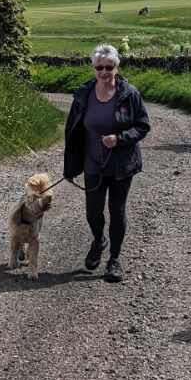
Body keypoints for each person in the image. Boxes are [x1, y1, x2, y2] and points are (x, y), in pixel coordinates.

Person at [63, 44, 150, 282]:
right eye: (99, 67)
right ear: (93, 68)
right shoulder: (83, 95)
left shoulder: (129, 94)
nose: (104, 72)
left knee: (117, 210)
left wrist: (119, 139)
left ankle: (114, 259)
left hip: (122, 165)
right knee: (93, 212)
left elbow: (143, 126)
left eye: (108, 67)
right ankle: (99, 240)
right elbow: (71, 132)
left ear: (116, 67)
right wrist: (70, 167)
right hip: (93, 164)